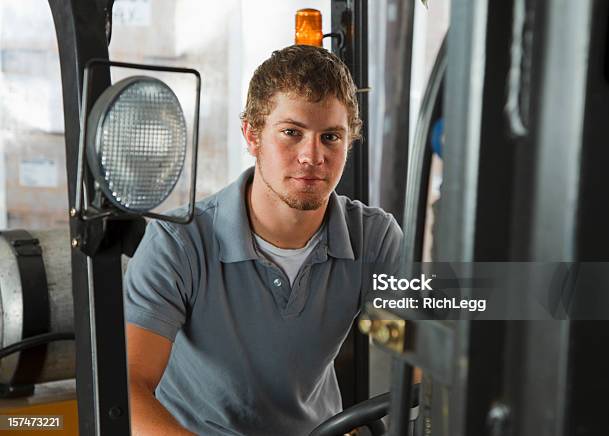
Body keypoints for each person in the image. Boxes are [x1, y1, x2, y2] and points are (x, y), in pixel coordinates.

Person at [124, 44, 403, 436]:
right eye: (292, 133)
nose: (312, 155)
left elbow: (440, 336)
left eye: (331, 137)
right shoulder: (179, 242)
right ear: (252, 136)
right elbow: (128, 391)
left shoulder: (374, 238)